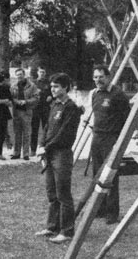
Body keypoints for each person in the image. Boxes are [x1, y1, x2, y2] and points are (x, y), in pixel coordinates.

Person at [35, 73, 82, 244]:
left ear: (65, 88)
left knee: (63, 194)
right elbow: (47, 127)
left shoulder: (71, 107)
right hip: (49, 153)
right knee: (51, 192)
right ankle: (52, 226)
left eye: (56, 87)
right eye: (52, 86)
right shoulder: (54, 104)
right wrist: (41, 145)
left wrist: (45, 148)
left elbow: (64, 134)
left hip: (61, 154)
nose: (53, 89)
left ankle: (67, 231)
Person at [90, 64, 129, 225]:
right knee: (97, 175)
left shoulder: (118, 95)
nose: (98, 80)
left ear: (109, 77)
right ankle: (100, 209)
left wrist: (119, 141)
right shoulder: (95, 94)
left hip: (111, 139)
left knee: (111, 176)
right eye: (95, 77)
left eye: (101, 77)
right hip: (97, 137)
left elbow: (127, 118)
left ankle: (112, 212)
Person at [10, 67, 39, 160]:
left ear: (24, 75)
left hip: (27, 111)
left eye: (21, 75)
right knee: (17, 133)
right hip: (16, 112)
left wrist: (26, 101)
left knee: (26, 133)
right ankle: (16, 153)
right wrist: (16, 101)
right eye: (17, 75)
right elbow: (11, 97)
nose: (19, 76)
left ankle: (26, 154)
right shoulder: (13, 86)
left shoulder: (32, 86)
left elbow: (36, 98)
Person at [31, 66, 52, 156]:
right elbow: (29, 94)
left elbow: (53, 93)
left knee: (46, 129)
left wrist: (51, 97)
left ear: (45, 73)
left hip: (46, 108)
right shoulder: (33, 83)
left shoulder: (49, 83)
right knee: (34, 129)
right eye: (40, 72)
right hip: (35, 108)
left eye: (43, 72)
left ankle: (45, 148)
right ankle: (32, 150)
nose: (42, 74)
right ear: (37, 72)